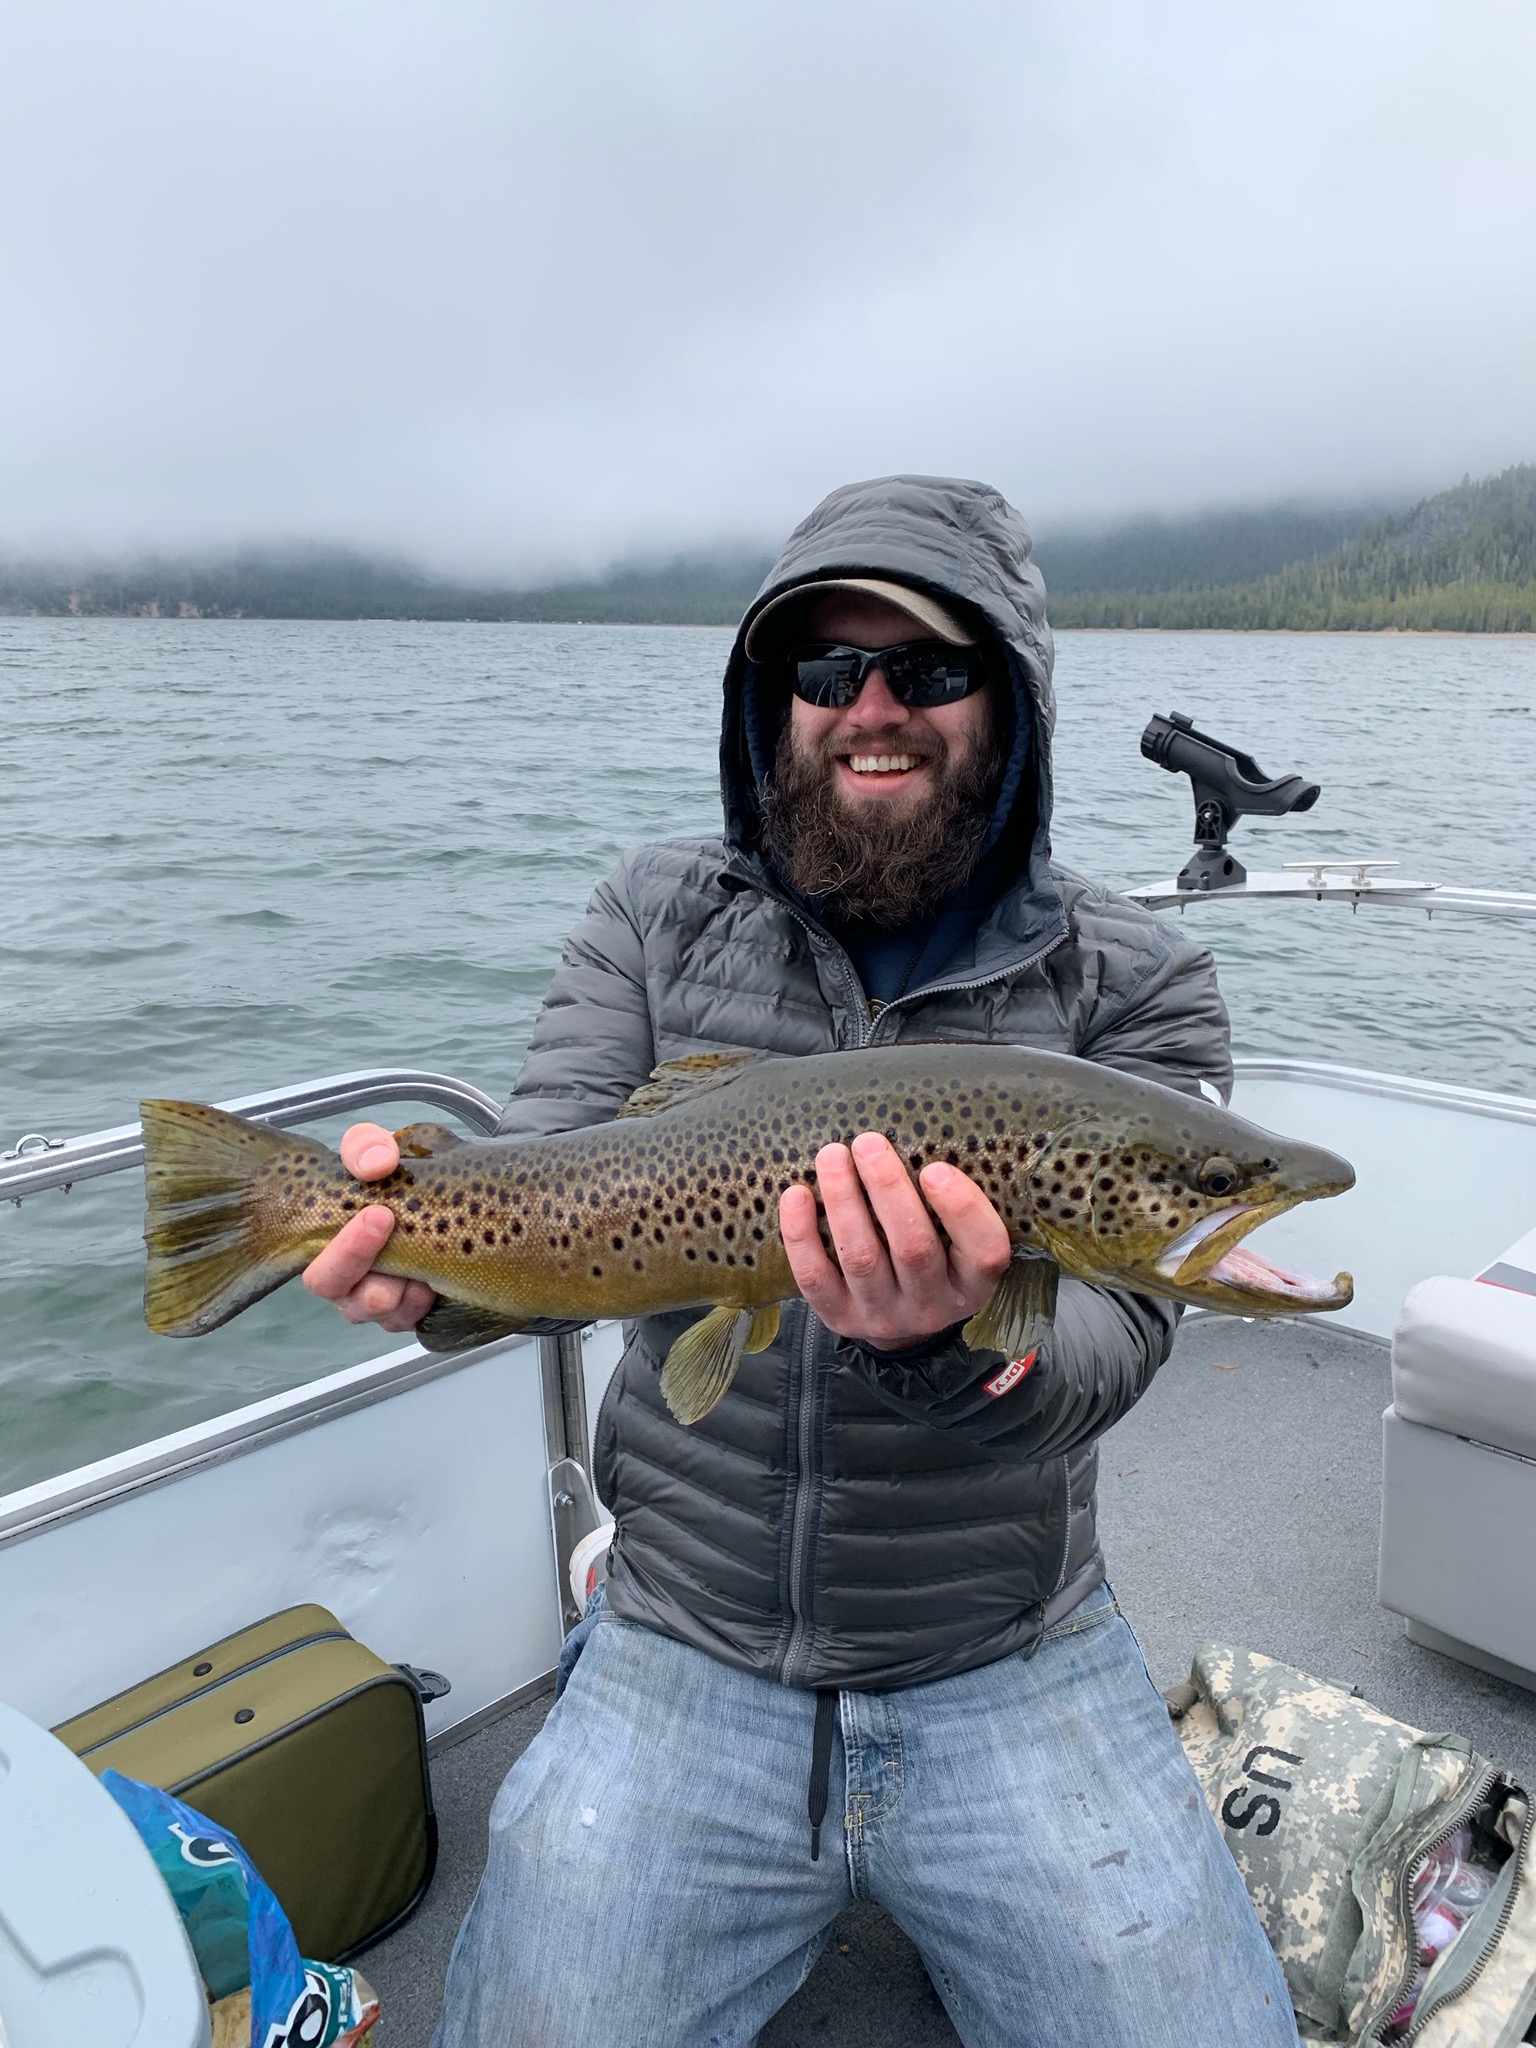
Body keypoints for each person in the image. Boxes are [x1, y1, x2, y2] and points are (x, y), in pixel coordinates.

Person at [304, 476, 1299, 2048]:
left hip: (1008, 1640)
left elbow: (1117, 1340)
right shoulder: (651, 912)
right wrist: (428, 1272)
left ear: (1015, 702)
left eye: (930, 668)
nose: (874, 708)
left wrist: (958, 1337)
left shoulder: (1141, 979)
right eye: (827, 673)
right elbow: (550, 1173)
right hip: (681, 1628)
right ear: (774, 703)